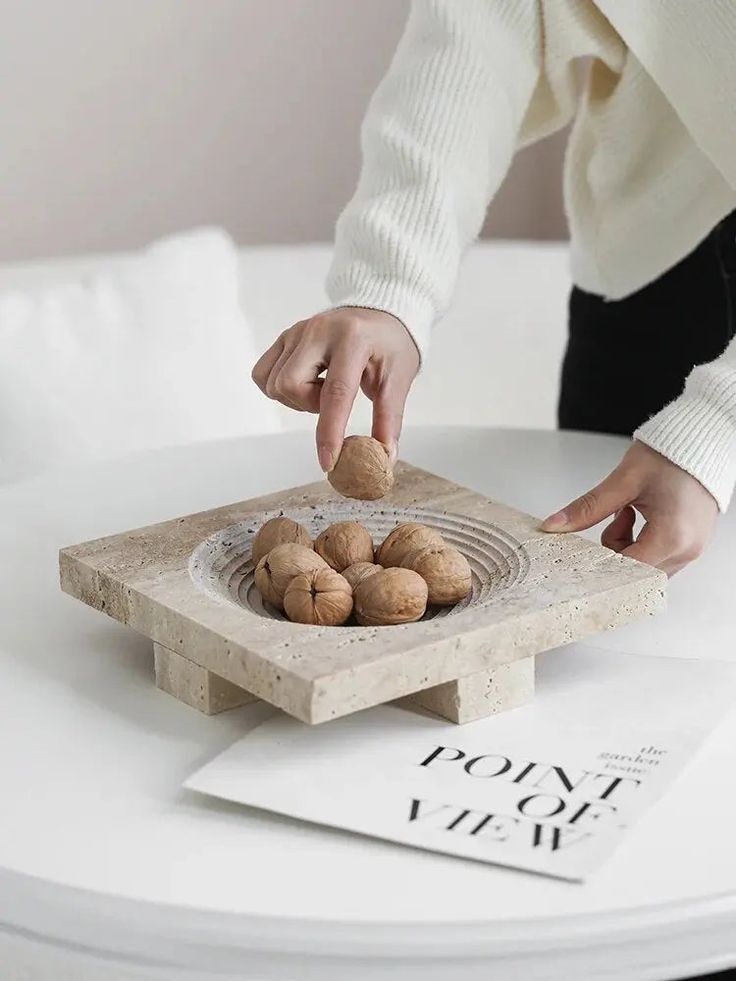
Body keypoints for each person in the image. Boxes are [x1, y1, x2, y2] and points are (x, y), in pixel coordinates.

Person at [253, 0, 736, 577]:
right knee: (598, 612)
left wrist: (718, 424)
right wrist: (390, 280)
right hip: (650, 251)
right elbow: (484, 21)